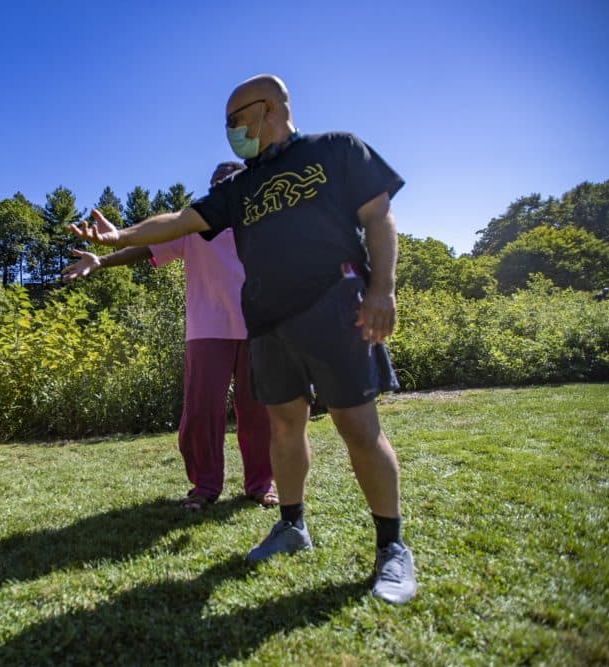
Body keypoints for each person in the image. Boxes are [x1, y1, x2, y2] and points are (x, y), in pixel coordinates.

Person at [69, 74, 416, 604]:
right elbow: (182, 220)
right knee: (282, 427)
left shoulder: (336, 149)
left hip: (336, 306)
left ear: (267, 109)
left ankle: (392, 548)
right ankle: (292, 526)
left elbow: (378, 216)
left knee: (357, 427)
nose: (230, 131)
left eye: (234, 121)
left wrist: (383, 289)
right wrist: (121, 236)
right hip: (266, 321)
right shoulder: (241, 186)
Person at [62, 162, 277, 511]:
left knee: (258, 414)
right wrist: (101, 262)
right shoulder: (193, 227)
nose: (221, 188)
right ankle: (205, 487)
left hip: (257, 329)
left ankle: (260, 485)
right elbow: (145, 248)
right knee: (200, 415)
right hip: (207, 331)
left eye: (230, 182)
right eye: (216, 183)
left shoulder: (263, 224)